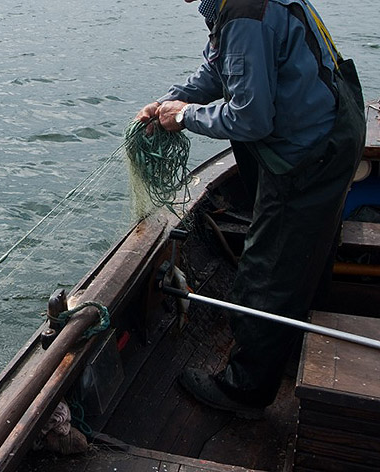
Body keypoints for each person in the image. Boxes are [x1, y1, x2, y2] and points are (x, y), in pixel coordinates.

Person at [137, 0, 365, 418]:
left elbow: (250, 118)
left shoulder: (244, 14)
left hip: (308, 153)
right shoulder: (236, 7)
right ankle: (295, 345)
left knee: (269, 269)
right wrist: (174, 100)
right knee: (308, 250)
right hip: (334, 128)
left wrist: (186, 117)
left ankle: (246, 390)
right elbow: (222, 67)